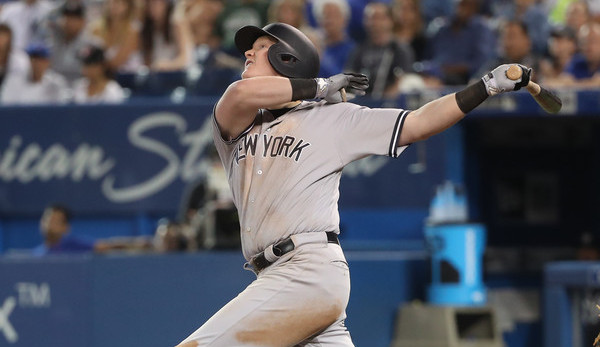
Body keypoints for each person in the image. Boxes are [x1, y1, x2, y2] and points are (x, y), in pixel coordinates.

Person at [175, 22, 531, 347]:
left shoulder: (334, 117)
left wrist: (487, 86)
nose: (248, 53)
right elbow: (238, 95)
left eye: (261, 46)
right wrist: (321, 86)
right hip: (276, 275)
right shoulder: (236, 125)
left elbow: (418, 122)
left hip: (307, 269)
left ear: (288, 59)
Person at [346, 2, 414, 98]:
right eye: (369, 18)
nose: (374, 23)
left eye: (379, 18)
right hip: (363, 102)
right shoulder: (359, 50)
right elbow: (349, 78)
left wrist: (384, 100)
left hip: (391, 103)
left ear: (390, 21)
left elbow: (404, 81)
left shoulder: (399, 49)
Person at [1, 42, 70, 104]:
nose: (36, 63)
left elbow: (63, 107)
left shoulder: (56, 83)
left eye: (40, 60)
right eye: (32, 59)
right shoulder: (14, 81)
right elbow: (6, 106)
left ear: (48, 62)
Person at [140, 0, 194, 71]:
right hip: (158, 76)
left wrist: (167, 65)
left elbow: (187, 58)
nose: (152, 7)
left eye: (155, 2)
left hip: (181, 75)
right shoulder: (147, 27)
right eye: (149, 3)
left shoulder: (177, 22)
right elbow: (147, 60)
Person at [48, 1, 91, 86]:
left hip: (80, 92)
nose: (70, 22)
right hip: (54, 91)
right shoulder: (51, 43)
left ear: (83, 21)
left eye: (75, 18)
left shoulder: (92, 46)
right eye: (67, 17)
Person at [312, 0, 356, 77]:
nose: (330, 20)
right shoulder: (314, 44)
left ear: (345, 20)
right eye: (325, 15)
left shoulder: (353, 50)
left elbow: (344, 79)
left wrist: (320, 58)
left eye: (334, 15)